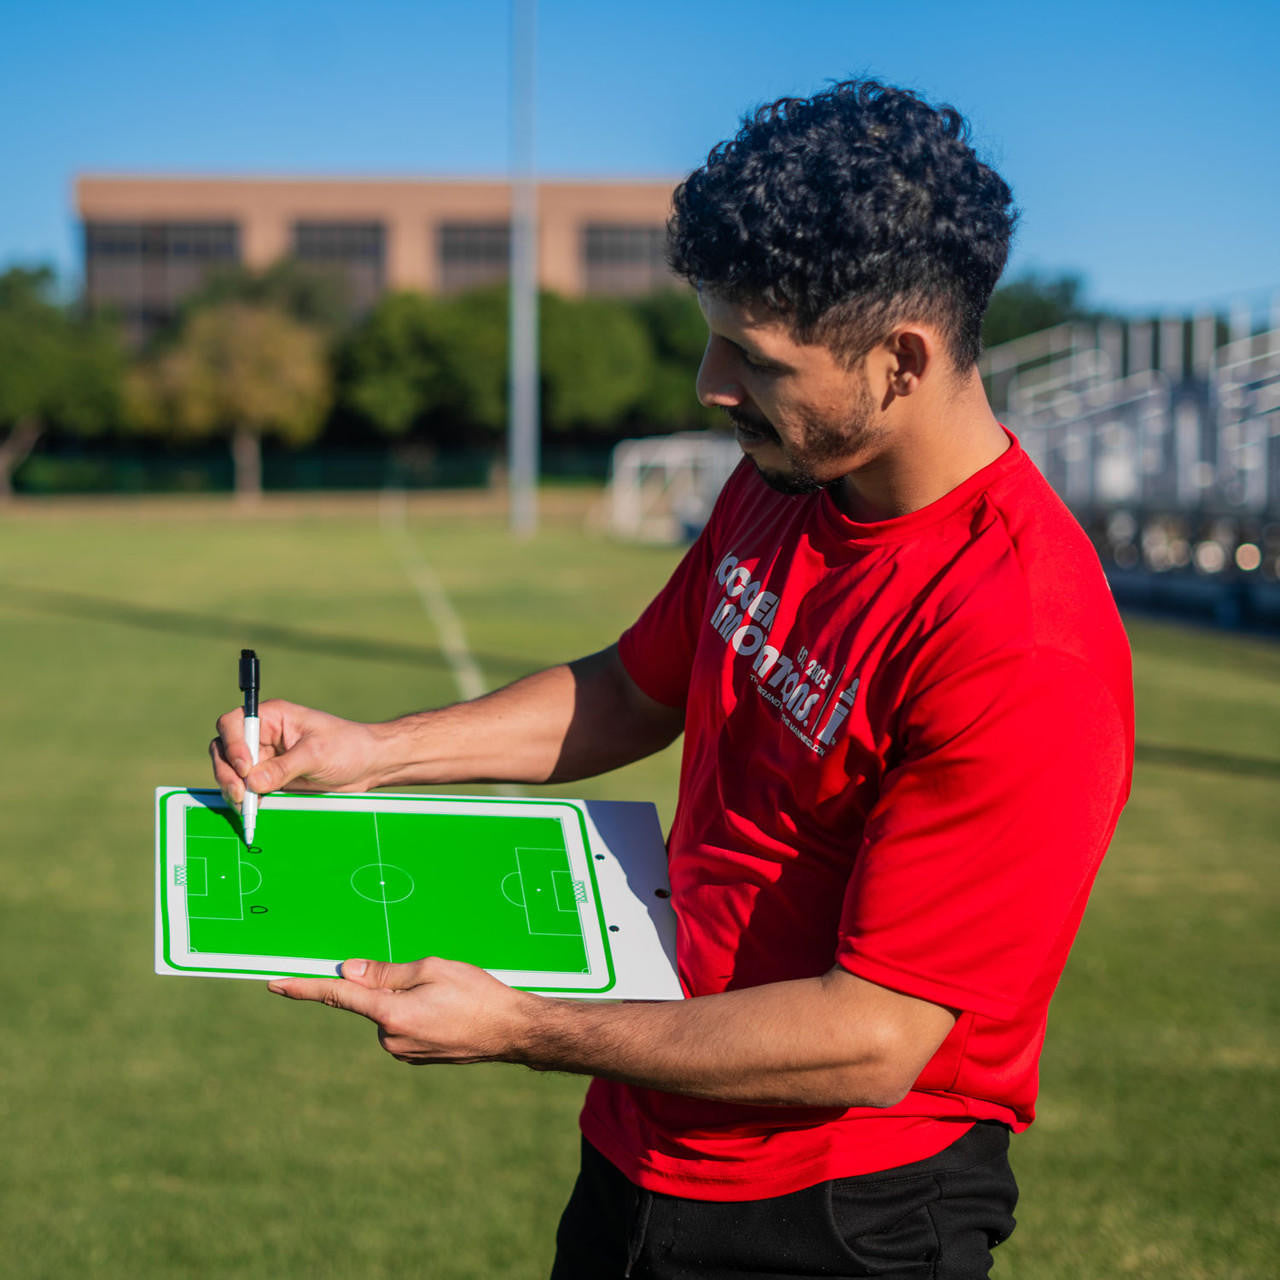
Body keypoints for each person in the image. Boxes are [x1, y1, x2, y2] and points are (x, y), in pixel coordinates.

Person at [211, 80, 1133, 1279]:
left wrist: (522, 1024)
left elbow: (874, 1033)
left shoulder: (1020, 639)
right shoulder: (785, 477)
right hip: (643, 1133)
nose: (709, 381)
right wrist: (370, 751)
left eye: (752, 354)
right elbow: (634, 689)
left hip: (839, 1208)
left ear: (900, 359)